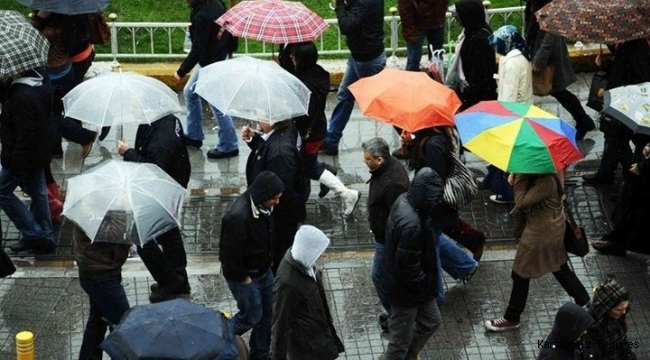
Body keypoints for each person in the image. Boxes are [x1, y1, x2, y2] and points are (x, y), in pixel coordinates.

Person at [485, 173, 590, 331]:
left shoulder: (545, 182)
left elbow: (521, 202)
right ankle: (585, 302)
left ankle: (511, 318)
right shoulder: (541, 175)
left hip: (541, 232)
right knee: (559, 267)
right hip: (550, 228)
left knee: (520, 274)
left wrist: (519, 178)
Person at [118, 114, 192, 303]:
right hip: (170, 187)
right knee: (169, 234)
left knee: (142, 238)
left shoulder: (160, 138)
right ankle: (180, 280)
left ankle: (170, 281)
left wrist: (128, 153)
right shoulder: (168, 119)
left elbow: (153, 169)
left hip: (158, 192)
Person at [405, 127, 482, 303]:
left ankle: (435, 296)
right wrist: (410, 145)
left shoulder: (433, 144)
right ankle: (465, 266)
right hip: (435, 206)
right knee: (434, 240)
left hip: (435, 207)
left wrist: (425, 206)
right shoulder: (430, 138)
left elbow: (434, 178)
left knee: (430, 251)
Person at [289, 42, 360, 216]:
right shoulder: (317, 73)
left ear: (301, 59)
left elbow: (305, 114)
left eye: (294, 55)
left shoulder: (306, 85)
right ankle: (328, 172)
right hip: (317, 129)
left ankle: (346, 193)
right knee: (308, 163)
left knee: (308, 167)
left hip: (310, 132)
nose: (291, 57)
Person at [220, 171, 284, 360]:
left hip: (264, 271)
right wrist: (245, 279)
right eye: (274, 198)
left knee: (267, 316)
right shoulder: (237, 217)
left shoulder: (264, 208)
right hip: (246, 278)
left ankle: (260, 355)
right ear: (263, 196)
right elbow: (229, 257)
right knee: (252, 316)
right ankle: (218, 336)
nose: (277, 202)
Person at [381, 167, 443, 359]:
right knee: (399, 343)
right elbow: (407, 267)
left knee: (432, 321)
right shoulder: (412, 225)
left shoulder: (406, 201)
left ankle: (408, 355)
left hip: (414, 288)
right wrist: (425, 284)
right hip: (406, 292)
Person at [1, 68, 57, 255]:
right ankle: (45, 236)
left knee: (2, 192)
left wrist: (16, 164)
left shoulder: (21, 96)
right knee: (37, 193)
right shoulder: (41, 80)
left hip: (21, 155)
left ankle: (34, 234)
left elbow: (25, 135)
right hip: (38, 152)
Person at [319, 0, 386, 156]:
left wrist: (340, 5)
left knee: (383, 103)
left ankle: (410, 137)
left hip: (368, 61)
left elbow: (347, 26)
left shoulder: (365, 2)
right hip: (359, 58)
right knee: (344, 96)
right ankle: (332, 140)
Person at [175, 0, 238, 160]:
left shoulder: (202, 16)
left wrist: (181, 71)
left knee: (218, 104)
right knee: (190, 92)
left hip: (211, 63)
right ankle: (195, 135)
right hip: (219, 56)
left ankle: (229, 145)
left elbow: (198, 49)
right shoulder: (217, 3)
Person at [524, 0, 595, 141]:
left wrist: (540, 58)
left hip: (549, 54)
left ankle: (584, 120)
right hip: (539, 48)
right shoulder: (533, 3)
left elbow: (551, 30)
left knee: (557, 89)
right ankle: (583, 120)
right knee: (557, 90)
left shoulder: (547, 4)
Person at [582, 38, 650, 185]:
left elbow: (638, 72)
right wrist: (605, 64)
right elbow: (621, 66)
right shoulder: (628, 43)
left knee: (616, 137)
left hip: (627, 100)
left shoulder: (635, 44)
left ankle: (632, 177)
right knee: (614, 137)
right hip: (622, 98)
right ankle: (610, 174)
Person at [271, 225, 345, 360]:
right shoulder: (287, 284)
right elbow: (279, 327)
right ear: (308, 250)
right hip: (308, 351)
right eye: (319, 250)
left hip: (318, 342)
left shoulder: (304, 263)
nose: (323, 254)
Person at [242, 120, 307, 273]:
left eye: (260, 114)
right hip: (288, 211)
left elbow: (279, 192)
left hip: (280, 218)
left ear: (271, 120)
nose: (257, 118)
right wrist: (255, 139)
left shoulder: (280, 153)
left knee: (279, 254)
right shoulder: (287, 128)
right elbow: (268, 148)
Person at [362, 137, 410, 331]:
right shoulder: (385, 168)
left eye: (367, 159)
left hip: (387, 240)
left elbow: (397, 217)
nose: (364, 162)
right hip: (384, 237)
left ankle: (396, 317)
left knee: (380, 276)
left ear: (379, 159)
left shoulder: (392, 184)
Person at [484, 25, 533, 204]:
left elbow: (509, 95)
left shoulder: (512, 63)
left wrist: (500, 118)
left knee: (508, 157)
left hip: (513, 115)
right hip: (522, 111)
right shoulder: (521, 57)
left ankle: (507, 192)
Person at [73, 212, 131, 360]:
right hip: (100, 276)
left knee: (98, 321)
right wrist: (120, 210)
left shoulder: (100, 202)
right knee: (125, 324)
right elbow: (115, 233)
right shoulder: (90, 207)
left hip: (102, 270)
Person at [591, 142, 650, 256]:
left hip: (644, 176)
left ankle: (620, 243)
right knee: (630, 210)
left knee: (636, 211)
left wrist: (643, 166)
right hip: (640, 170)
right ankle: (619, 242)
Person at [448, 0, 497, 111]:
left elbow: (479, 75)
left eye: (459, 17)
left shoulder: (479, 40)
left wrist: (467, 96)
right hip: (475, 92)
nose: (457, 20)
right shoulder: (472, 31)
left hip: (478, 98)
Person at [587, 278, 636, 360]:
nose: (624, 312)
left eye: (625, 308)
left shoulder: (618, 317)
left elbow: (623, 342)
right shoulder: (591, 326)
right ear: (607, 308)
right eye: (619, 309)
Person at [398, 0, 449, 71]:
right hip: (417, 24)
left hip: (436, 21)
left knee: (436, 60)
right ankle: (412, 80)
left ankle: (434, 80)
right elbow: (405, 6)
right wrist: (410, 31)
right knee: (413, 61)